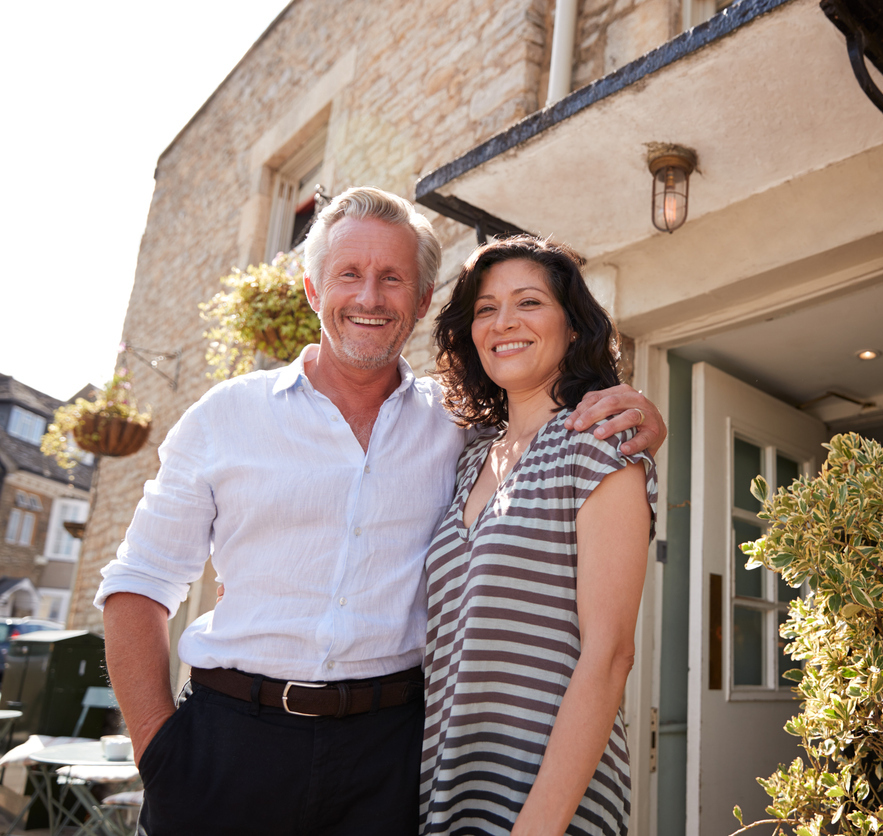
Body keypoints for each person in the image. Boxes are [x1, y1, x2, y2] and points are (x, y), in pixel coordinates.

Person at [96, 187, 665, 836]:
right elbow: (138, 584)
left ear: (421, 302)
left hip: (390, 761)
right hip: (229, 746)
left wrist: (639, 414)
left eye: (391, 278)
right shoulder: (226, 417)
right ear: (313, 291)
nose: (369, 297)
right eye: (348, 275)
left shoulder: (454, 431)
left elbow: (555, 433)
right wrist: (159, 751)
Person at [420, 236, 655, 836]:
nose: (504, 323)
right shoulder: (470, 460)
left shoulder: (596, 444)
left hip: (550, 805)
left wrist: (539, 827)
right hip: (449, 794)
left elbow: (610, 655)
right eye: (485, 309)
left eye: (529, 302)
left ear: (572, 327)